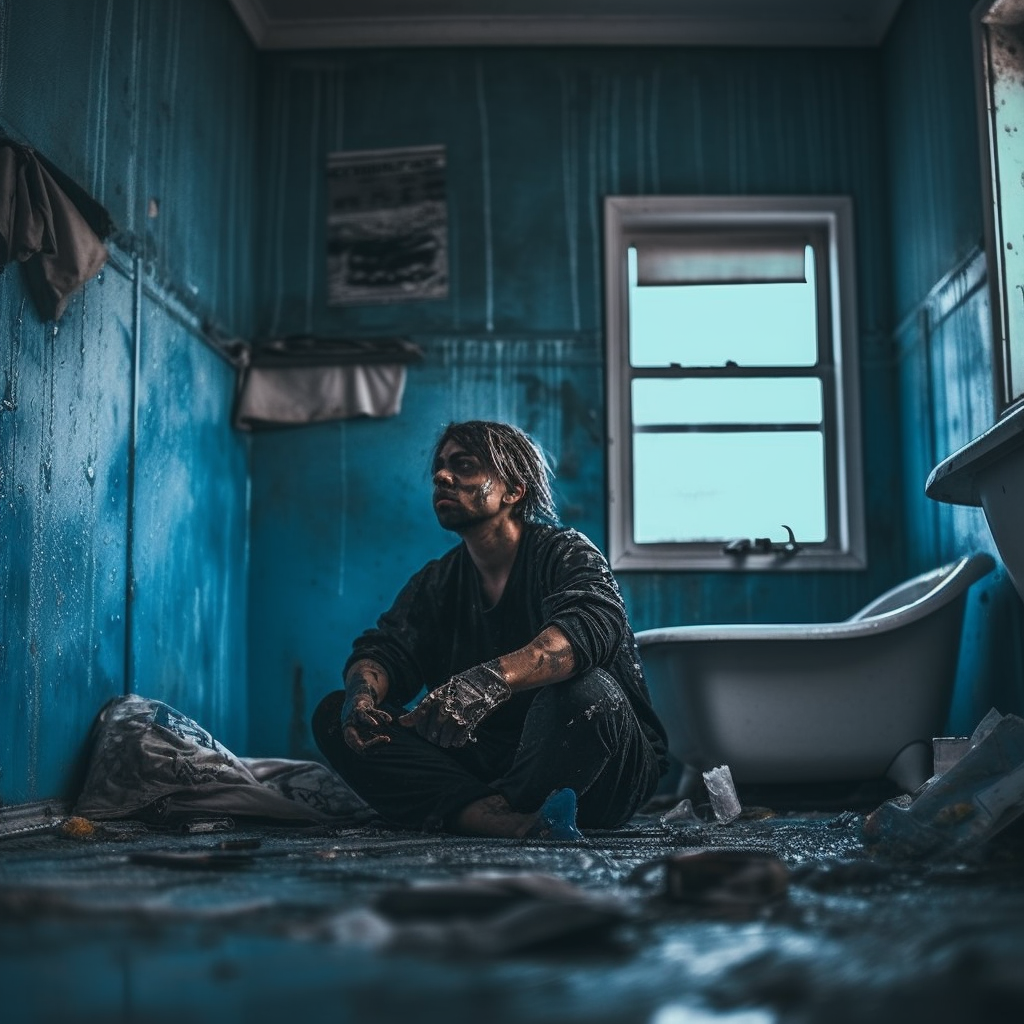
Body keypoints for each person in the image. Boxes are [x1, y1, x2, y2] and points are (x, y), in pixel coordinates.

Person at [312, 420, 668, 839]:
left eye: (464, 466)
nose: (442, 476)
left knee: (588, 693)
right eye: (440, 468)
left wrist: (489, 681)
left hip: (600, 769)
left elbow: (590, 626)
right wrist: (361, 696)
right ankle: (499, 816)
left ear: (513, 490)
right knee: (336, 716)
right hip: (489, 763)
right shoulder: (436, 582)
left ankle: (474, 811)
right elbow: (387, 649)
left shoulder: (565, 552)